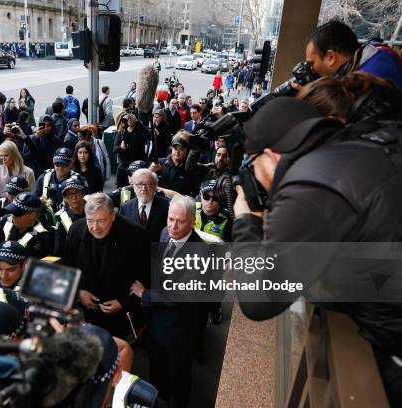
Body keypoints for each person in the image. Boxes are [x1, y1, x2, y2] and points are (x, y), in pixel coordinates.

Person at [233, 96, 402, 406]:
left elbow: (258, 300)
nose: (253, 177)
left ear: (271, 155)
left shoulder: (311, 187)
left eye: (251, 165)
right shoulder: (358, 145)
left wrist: (245, 220)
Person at [129, 194, 208, 408]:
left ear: (192, 221)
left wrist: (144, 294)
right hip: (157, 324)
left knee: (179, 379)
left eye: (180, 221)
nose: (173, 226)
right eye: (170, 219)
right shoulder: (164, 233)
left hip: (180, 330)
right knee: (157, 373)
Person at [63, 193, 149, 338]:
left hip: (121, 316)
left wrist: (124, 303)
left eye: (101, 221)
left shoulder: (136, 235)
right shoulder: (76, 229)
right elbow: (68, 267)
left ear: (113, 215)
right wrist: (78, 292)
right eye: (90, 220)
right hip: (86, 312)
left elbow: (147, 276)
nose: (95, 227)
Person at [303, 20, 402, 90]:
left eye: (312, 64)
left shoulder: (368, 81)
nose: (311, 70)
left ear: (331, 57)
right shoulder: (374, 53)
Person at [120, 169, 170, 243]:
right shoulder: (126, 207)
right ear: (133, 186)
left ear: (155, 186)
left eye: (148, 184)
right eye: (139, 184)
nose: (144, 188)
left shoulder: (167, 206)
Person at [0, 192, 52, 258]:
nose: (12, 216)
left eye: (17, 213)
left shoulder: (41, 237)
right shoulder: (5, 220)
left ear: (32, 215)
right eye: (12, 211)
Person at [53, 176, 88, 257]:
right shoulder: (62, 218)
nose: (74, 197)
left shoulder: (94, 209)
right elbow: (59, 249)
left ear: (83, 194)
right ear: (64, 198)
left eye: (76, 192)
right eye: (68, 194)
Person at [114, 111, 149, 188]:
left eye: (131, 118)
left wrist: (137, 121)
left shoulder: (140, 131)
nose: (129, 120)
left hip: (137, 165)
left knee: (136, 188)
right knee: (121, 189)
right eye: (128, 118)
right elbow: (115, 149)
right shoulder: (121, 132)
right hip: (124, 165)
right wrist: (121, 147)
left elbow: (148, 134)